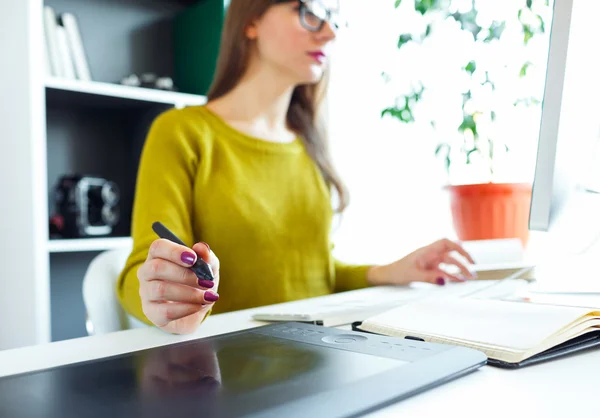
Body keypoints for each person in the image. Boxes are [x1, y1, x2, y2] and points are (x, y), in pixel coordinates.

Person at [117, 0, 476, 335]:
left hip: (317, 355)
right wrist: (161, 293)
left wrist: (391, 271)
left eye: (331, 17)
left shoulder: (308, 144)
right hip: (228, 370)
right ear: (252, 19)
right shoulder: (181, 132)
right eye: (306, 11)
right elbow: (141, 270)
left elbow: (312, 275)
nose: (329, 32)